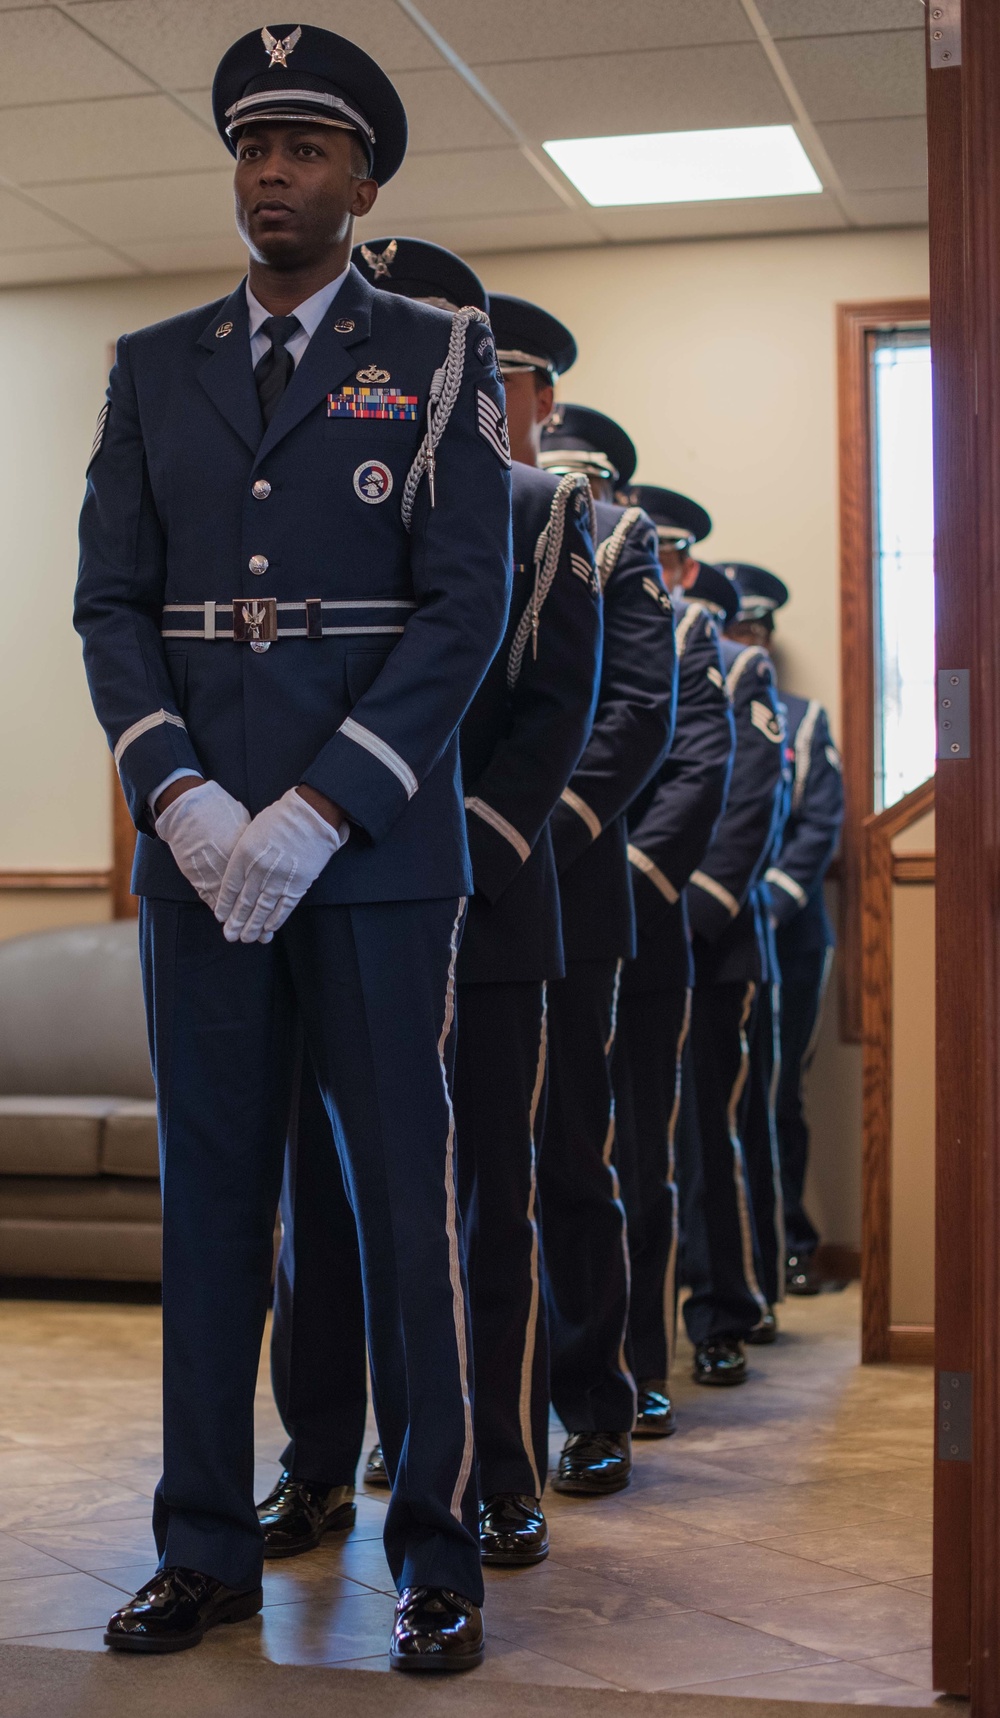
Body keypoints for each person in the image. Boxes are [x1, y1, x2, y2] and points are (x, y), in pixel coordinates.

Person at [74, 26, 513, 1672]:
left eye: (309, 146)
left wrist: (326, 799)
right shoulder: (149, 358)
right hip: (196, 857)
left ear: (364, 179)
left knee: (406, 1212)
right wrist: (177, 793)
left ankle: (437, 1556)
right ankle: (202, 1549)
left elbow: (463, 605)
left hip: (379, 858)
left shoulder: (439, 351)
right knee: (212, 1216)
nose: (274, 169)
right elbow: (109, 600)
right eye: (254, 144)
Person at [258, 249, 602, 1573]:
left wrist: (452, 854)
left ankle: (495, 1468)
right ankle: (315, 1463)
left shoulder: (535, 506)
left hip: (481, 911)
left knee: (477, 1211)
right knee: (319, 1205)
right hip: (322, 900)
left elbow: (553, 721)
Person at [537, 405, 677, 1494]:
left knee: (571, 1155)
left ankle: (593, 1402)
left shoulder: (617, 540)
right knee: (444, 1173)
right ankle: (449, 1406)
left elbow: (635, 712)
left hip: (567, 888)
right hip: (441, 882)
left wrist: (527, 828)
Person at [610, 488, 734, 1436]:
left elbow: (697, 770)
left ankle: (634, 1366)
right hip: (507, 908)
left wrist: (626, 878)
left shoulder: (689, 630)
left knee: (637, 1156)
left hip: (637, 919)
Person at [676, 563, 786, 1385]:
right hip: (621, 936)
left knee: (709, 1130)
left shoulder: (736, 663)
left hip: (710, 943)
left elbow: (749, 804)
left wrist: (684, 914)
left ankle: (724, 1309)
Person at [723, 564, 844, 1295]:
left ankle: (790, 1241)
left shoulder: (805, 720)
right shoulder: (696, 703)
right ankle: (724, 1249)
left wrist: (767, 901)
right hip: (710, 929)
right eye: (739, 631)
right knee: (716, 1095)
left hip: (789, 932)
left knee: (777, 1092)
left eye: (758, 633)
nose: (750, 644)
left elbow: (819, 825)